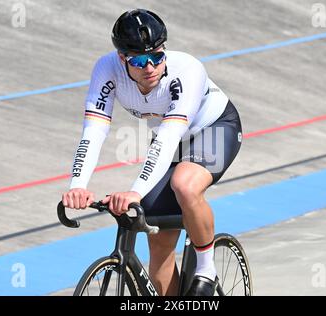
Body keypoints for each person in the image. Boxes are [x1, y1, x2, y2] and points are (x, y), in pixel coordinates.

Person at [62, 9, 242, 296]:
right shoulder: (106, 70)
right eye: (140, 60)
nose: (150, 67)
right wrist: (77, 185)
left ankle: (206, 270)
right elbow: (94, 132)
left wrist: (135, 191)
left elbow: (170, 138)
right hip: (171, 138)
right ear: (122, 59)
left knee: (184, 184)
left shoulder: (188, 70)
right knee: (157, 241)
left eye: (157, 57)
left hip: (216, 128)